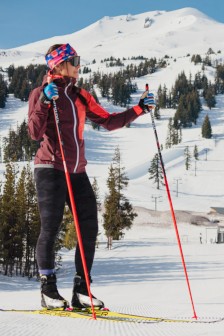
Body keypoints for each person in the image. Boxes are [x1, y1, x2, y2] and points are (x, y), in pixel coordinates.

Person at [28, 43, 155, 310]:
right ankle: (48, 290)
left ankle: (82, 290)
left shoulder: (80, 96)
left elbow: (107, 121)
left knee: (89, 228)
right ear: (58, 65)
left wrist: (139, 109)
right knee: (50, 228)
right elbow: (34, 132)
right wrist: (43, 101)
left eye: (78, 59)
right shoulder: (41, 93)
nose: (78, 64)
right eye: (74, 60)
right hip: (50, 168)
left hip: (77, 171)